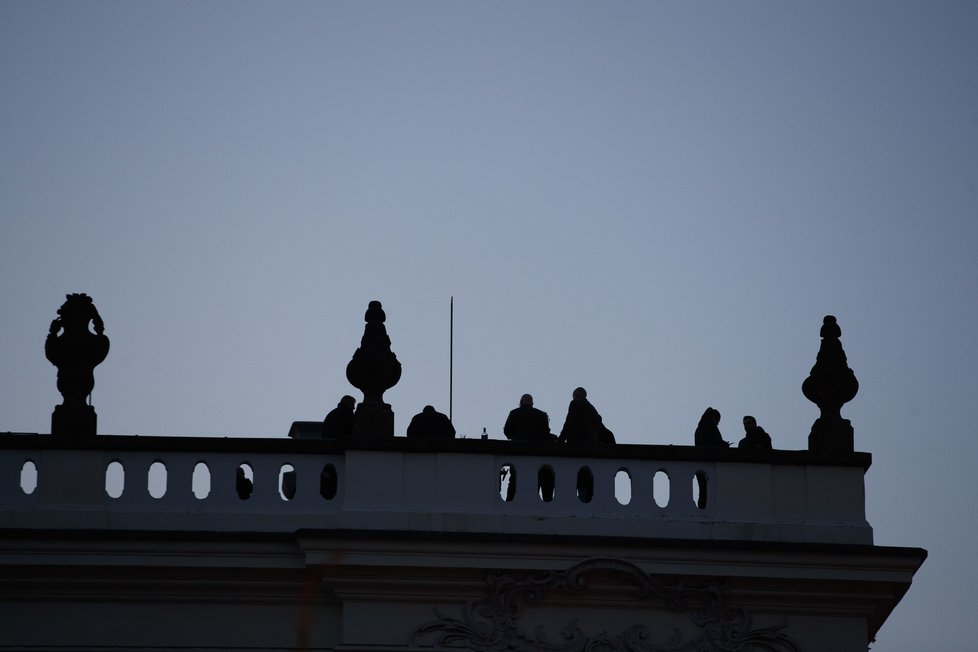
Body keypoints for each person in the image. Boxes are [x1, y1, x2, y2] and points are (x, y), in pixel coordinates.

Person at [693, 407, 730, 509]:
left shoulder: (699, 428)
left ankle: (701, 510)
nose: (718, 423)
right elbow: (717, 442)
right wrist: (725, 445)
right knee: (712, 491)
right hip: (709, 463)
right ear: (714, 417)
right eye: (718, 420)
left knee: (702, 491)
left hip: (698, 464)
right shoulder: (711, 426)